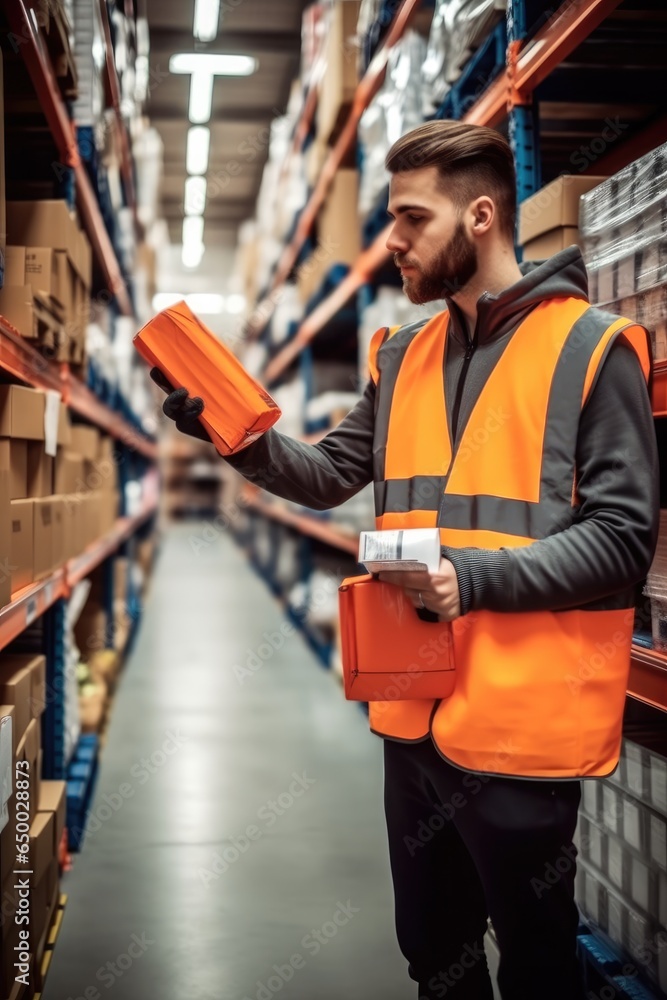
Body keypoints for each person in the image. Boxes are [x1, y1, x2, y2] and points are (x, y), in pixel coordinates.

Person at [151, 120, 659, 999]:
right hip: (414, 719)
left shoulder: (589, 349)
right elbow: (327, 475)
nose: (392, 241)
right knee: (435, 959)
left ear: (481, 218)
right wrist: (228, 434)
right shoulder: (404, 354)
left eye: (411, 219)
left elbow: (620, 541)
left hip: (518, 734)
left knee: (537, 970)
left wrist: (470, 580)